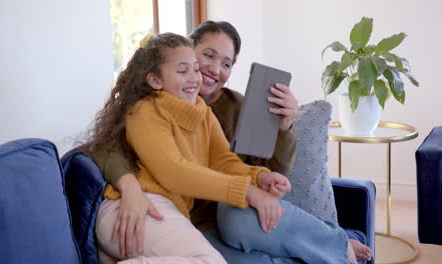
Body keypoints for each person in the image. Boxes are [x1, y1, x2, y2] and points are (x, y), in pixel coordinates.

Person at [86, 21, 372, 263]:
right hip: (186, 220)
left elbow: (226, 162)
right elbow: (137, 156)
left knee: (240, 218)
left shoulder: (230, 108)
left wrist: (262, 174)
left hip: (232, 214)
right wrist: (129, 185)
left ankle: (336, 245)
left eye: (226, 63)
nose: (209, 70)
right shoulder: (146, 107)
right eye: (206, 57)